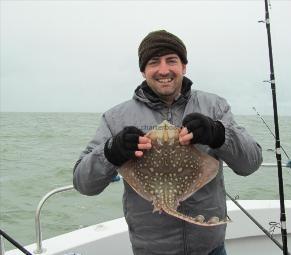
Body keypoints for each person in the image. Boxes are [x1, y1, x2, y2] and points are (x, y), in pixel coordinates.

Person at [73, 30, 263, 255]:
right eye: (154, 62)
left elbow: (251, 163)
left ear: (184, 66)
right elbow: (83, 183)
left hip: (210, 248)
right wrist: (111, 152)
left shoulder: (214, 106)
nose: (164, 70)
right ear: (143, 70)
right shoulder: (116, 118)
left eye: (171, 61)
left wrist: (219, 133)